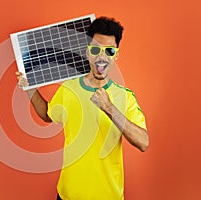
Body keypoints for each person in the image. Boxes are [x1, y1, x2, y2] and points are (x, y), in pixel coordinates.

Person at [16, 16, 149, 200]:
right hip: (68, 195)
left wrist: (110, 108)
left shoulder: (125, 97)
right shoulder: (69, 88)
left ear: (116, 55)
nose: (102, 57)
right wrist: (29, 87)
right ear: (87, 52)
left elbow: (143, 142)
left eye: (109, 51)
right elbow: (47, 114)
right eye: (96, 50)